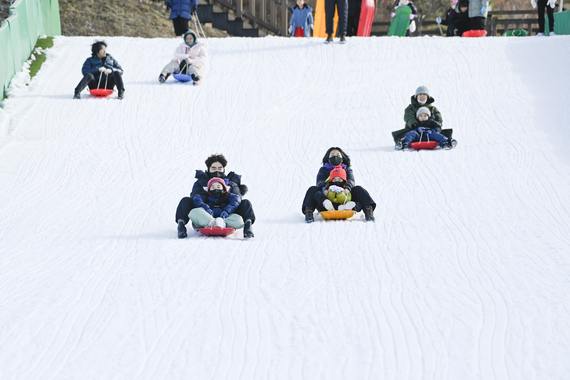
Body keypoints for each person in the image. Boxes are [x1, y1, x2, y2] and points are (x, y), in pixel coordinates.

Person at [175, 154, 255, 238]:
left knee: (245, 203)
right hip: (206, 214)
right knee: (186, 200)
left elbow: (237, 199)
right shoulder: (200, 182)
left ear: (224, 169)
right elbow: (195, 197)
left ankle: (247, 227)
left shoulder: (231, 183)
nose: (217, 170)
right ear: (209, 169)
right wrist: (206, 208)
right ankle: (181, 225)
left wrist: (227, 211)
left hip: (227, 214)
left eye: (220, 168)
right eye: (213, 168)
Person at [302, 147, 376, 222]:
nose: (335, 157)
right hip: (328, 198)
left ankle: (368, 210)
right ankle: (309, 211)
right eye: (332, 155)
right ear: (328, 158)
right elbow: (320, 181)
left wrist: (347, 188)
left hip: (345, 197)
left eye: (338, 155)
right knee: (313, 189)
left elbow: (351, 180)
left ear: (342, 158)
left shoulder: (347, 169)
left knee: (358, 189)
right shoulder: (324, 170)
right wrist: (324, 189)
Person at [392, 85, 457, 149]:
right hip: (414, 129)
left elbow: (439, 119)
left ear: (427, 97)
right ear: (416, 96)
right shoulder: (410, 108)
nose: (422, 96)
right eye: (420, 94)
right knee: (408, 134)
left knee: (439, 135)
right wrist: (415, 125)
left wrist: (435, 128)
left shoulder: (433, 109)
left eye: (424, 94)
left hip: (430, 131)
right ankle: (402, 143)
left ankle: (447, 141)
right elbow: (408, 117)